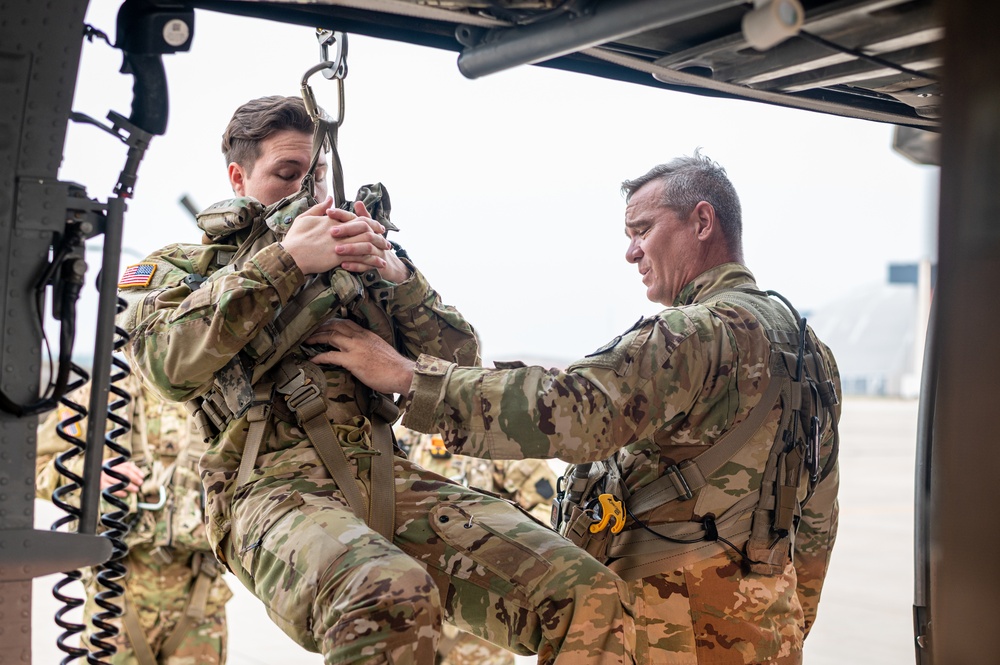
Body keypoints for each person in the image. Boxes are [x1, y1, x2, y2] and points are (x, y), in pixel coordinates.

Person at [117, 95, 633, 665]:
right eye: (285, 176)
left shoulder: (355, 260)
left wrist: (399, 277)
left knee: (589, 593)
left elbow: (463, 363)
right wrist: (286, 262)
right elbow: (167, 363)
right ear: (239, 177)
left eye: (315, 178)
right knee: (384, 590)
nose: (305, 195)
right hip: (270, 492)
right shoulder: (180, 269)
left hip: (388, 476)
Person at [316, 151, 842, 664]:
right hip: (765, 631)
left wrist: (409, 377)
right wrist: (774, 622)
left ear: (702, 221)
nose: (631, 253)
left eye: (642, 230)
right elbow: (817, 521)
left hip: (663, 629)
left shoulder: (696, 333)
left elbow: (577, 410)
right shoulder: (812, 354)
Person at [36, 373, 232, 664]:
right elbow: (38, 466)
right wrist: (91, 473)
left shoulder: (220, 393)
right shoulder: (98, 393)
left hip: (200, 595)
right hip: (115, 594)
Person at [401, 425, 559, 665]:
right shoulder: (402, 439)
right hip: (411, 610)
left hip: (483, 616)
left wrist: (507, 560)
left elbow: (547, 511)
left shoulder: (497, 441)